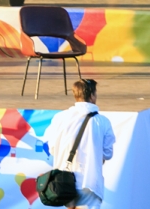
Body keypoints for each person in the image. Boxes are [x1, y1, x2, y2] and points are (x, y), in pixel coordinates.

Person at [45, 79, 115, 209]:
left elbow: (52, 148)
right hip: (89, 181)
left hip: (64, 181)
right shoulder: (103, 122)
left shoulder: (59, 118)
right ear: (92, 96)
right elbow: (108, 154)